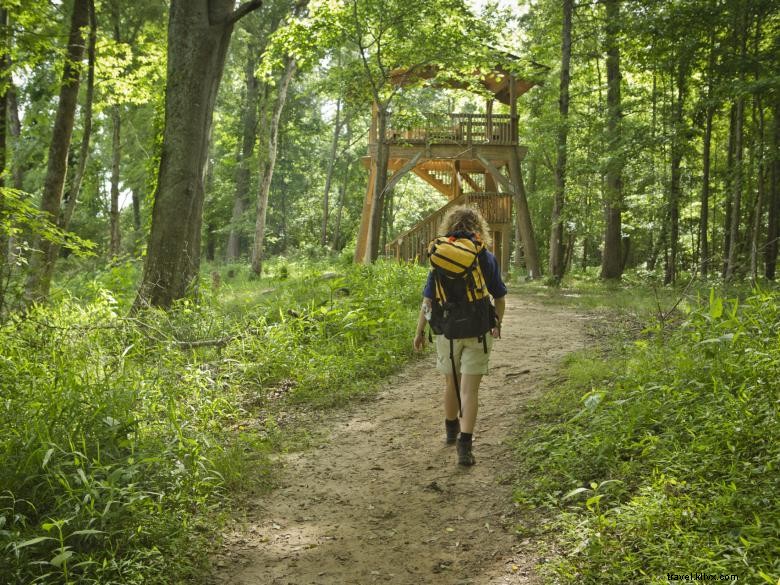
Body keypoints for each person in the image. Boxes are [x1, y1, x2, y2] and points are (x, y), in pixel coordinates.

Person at [413, 206, 506, 466]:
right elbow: (499, 297)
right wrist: (496, 323)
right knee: (470, 391)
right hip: (478, 331)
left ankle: (450, 433)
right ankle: (465, 447)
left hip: (447, 332)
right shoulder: (484, 256)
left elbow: (428, 300)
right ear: (478, 228)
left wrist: (419, 331)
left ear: (449, 227)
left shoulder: (440, 257)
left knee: (451, 385)